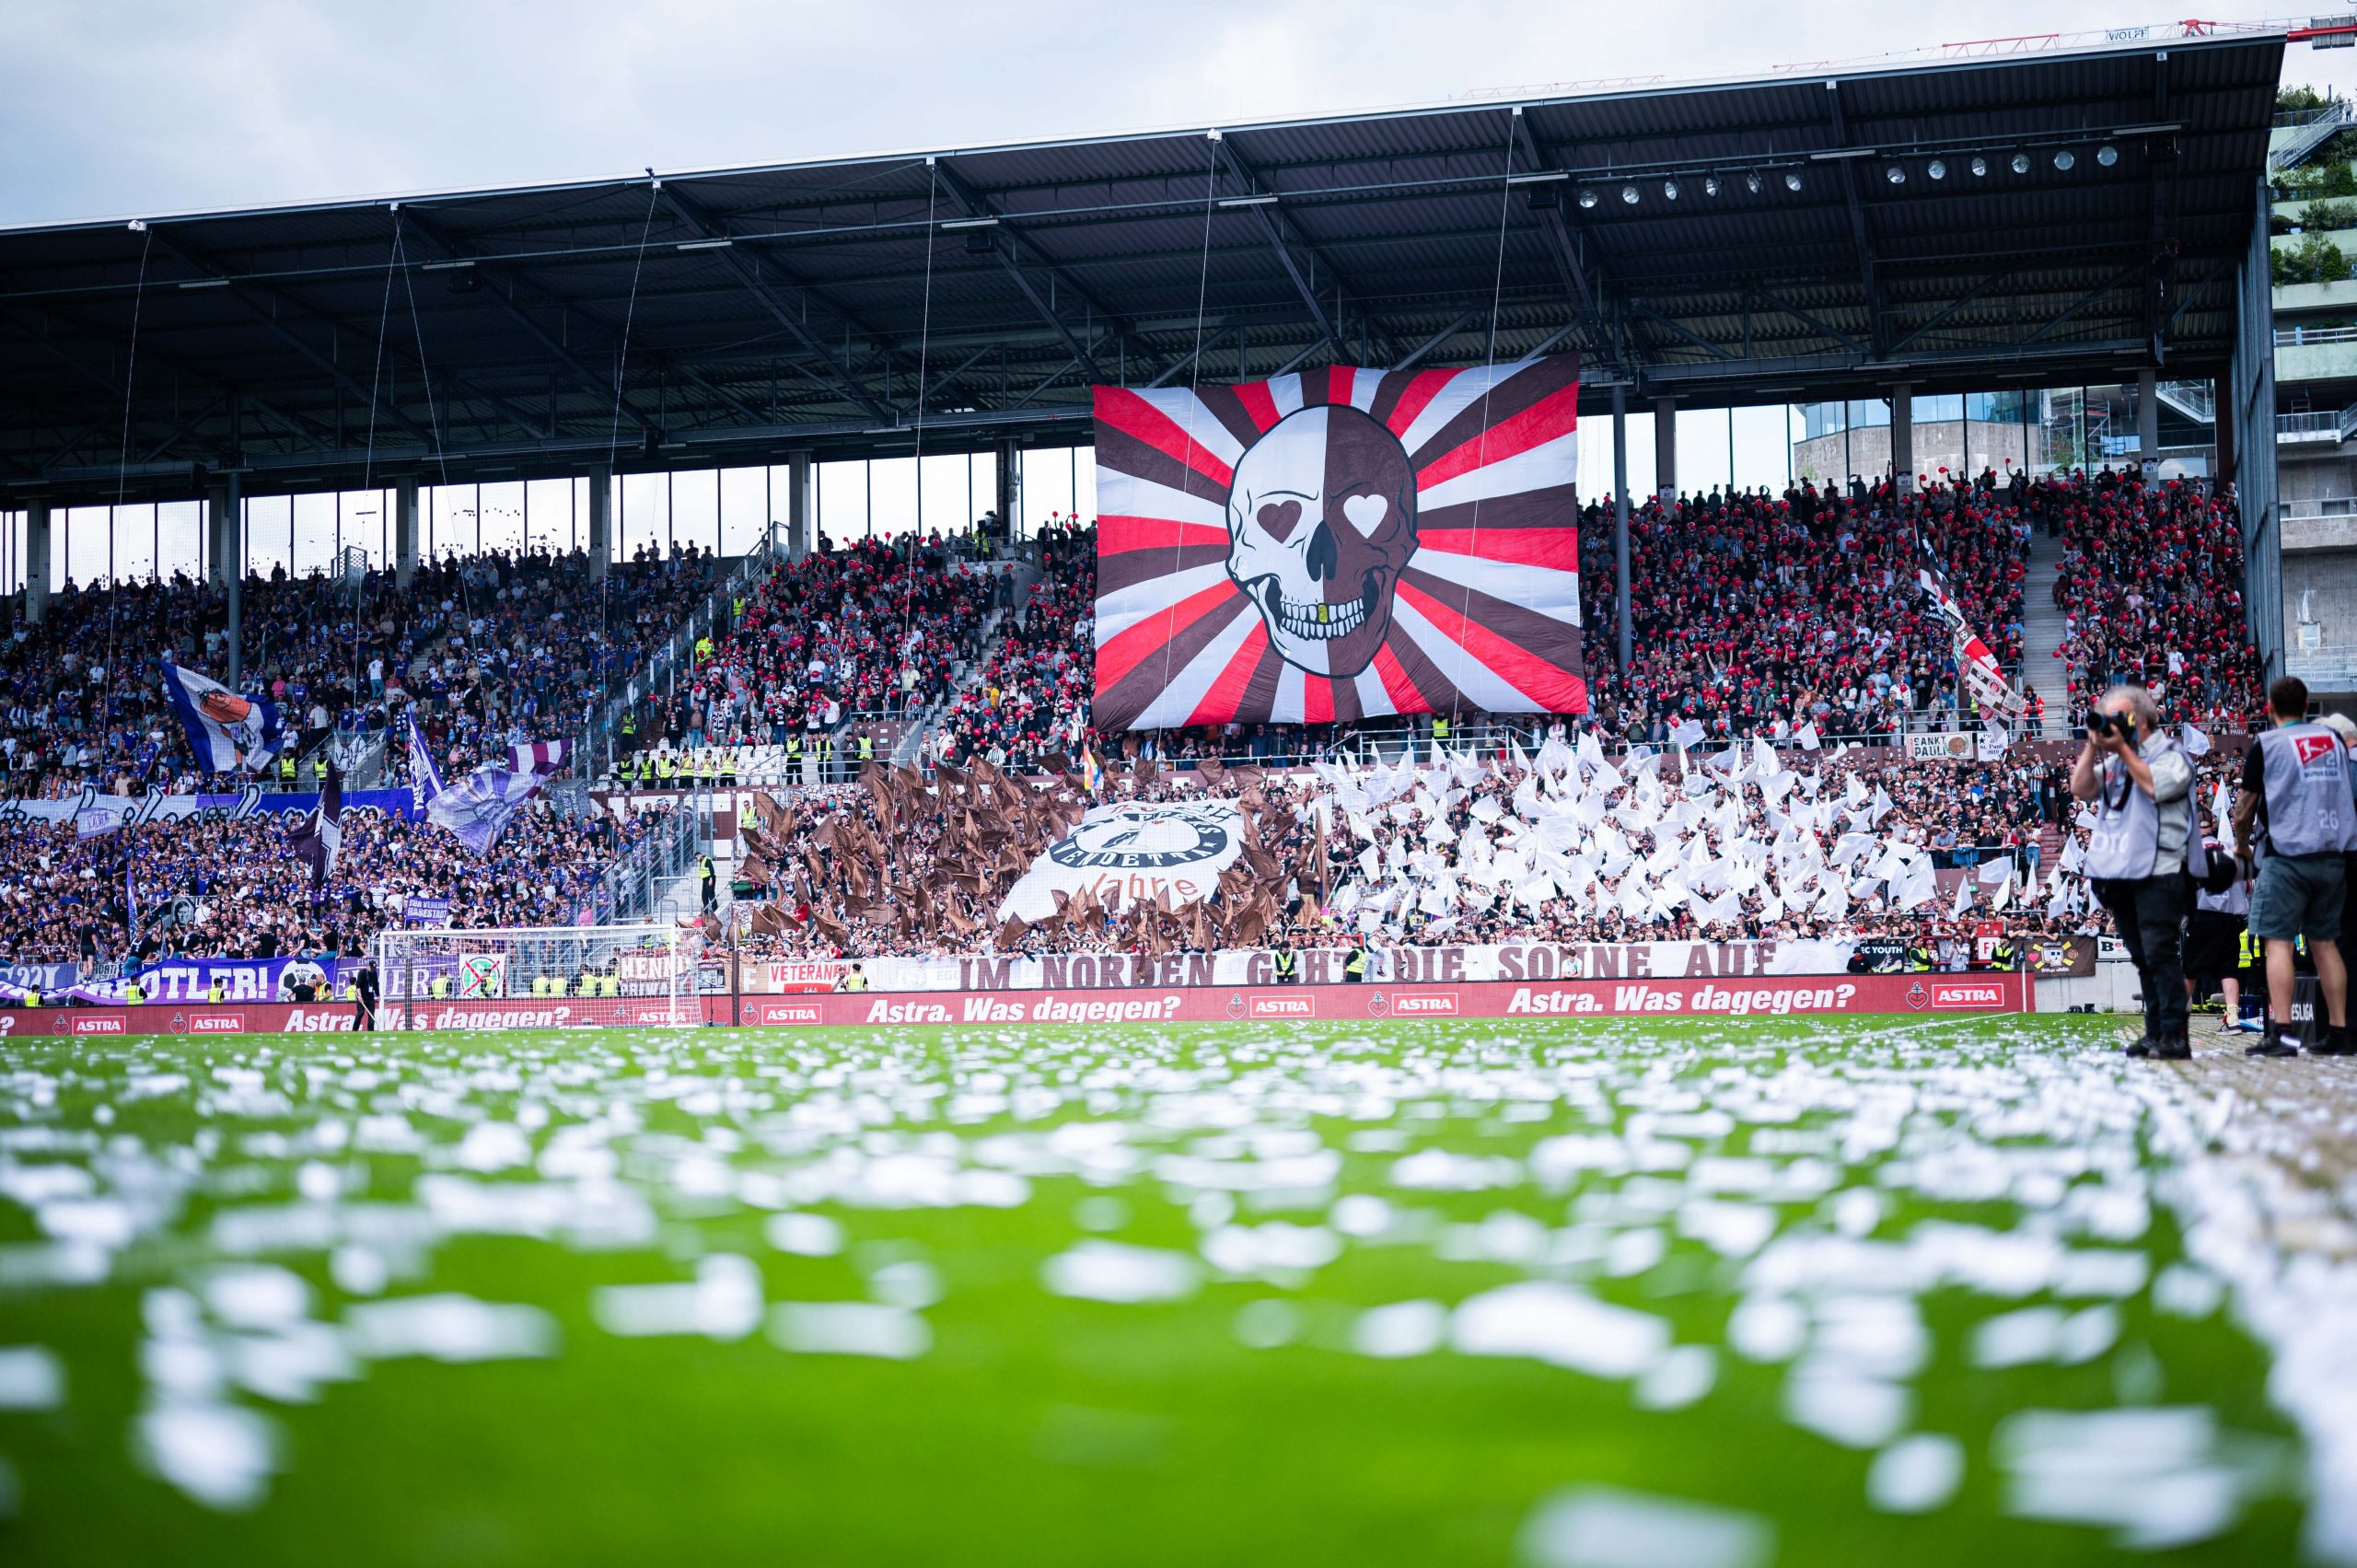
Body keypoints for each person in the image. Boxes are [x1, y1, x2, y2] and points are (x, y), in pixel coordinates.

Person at [2073, 683, 2198, 1060]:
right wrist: (2094, 745)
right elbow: (2080, 788)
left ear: (2138, 719)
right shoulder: (2115, 761)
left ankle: (2175, 1035)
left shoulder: (2172, 754)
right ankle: (2155, 1032)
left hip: (2162, 868)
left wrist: (2123, 749)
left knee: (2161, 952)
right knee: (2141, 954)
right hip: (2123, 871)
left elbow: (2155, 786)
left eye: (2117, 718)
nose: (2110, 725)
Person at [2233, 676, 2354, 1057]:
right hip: (2333, 854)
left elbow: (2244, 809)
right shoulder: (2333, 741)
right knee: (2325, 944)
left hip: (2287, 855)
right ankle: (2339, 1032)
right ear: (2306, 707)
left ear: (2269, 707)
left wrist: (2242, 848)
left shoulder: (2267, 744)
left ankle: (2283, 1033)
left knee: (2279, 941)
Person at [2183, 835, 2251, 1035]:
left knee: (2189, 971)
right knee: (2228, 970)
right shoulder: (2234, 854)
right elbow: (2248, 886)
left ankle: (2174, 1021)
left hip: (2204, 916)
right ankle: (2233, 1019)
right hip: (2232, 919)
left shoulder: (2195, 853)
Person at [354, 960, 378, 1032]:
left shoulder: (374, 973)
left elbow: (376, 985)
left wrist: (378, 995)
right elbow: (358, 986)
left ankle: (370, 1030)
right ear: (368, 966)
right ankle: (355, 1029)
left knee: (371, 1013)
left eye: (374, 968)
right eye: (372, 968)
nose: (372, 970)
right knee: (361, 1012)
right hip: (362, 996)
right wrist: (360, 996)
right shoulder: (362, 972)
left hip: (370, 996)